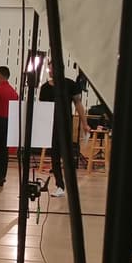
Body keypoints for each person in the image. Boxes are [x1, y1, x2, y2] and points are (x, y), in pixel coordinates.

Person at [39, 69, 89, 197]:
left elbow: (78, 104)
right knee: (55, 156)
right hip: (51, 125)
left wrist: (85, 123)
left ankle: (70, 184)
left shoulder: (70, 84)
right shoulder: (45, 88)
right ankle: (60, 185)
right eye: (50, 67)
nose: (51, 70)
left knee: (67, 155)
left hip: (65, 124)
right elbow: (42, 108)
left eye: (53, 67)